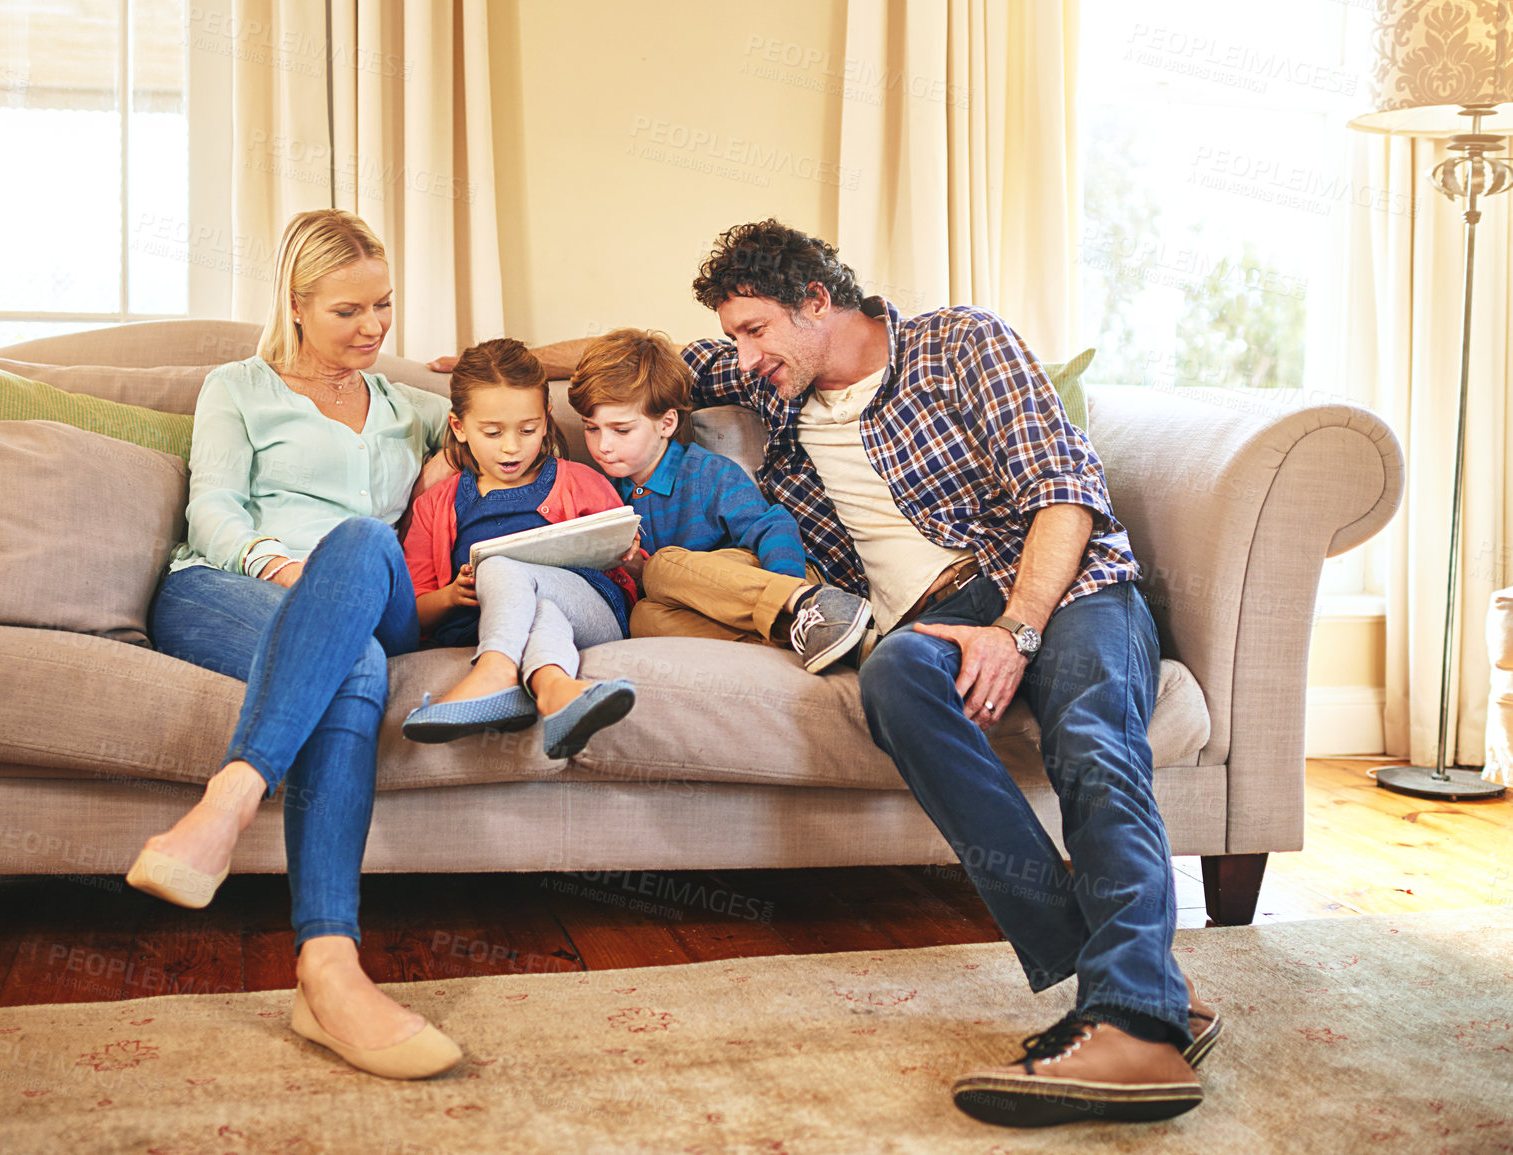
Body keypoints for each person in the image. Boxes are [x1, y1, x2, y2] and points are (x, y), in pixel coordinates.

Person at [523, 219, 1222, 1127]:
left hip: (1062, 588)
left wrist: (1013, 629)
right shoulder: (774, 374)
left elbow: (1063, 492)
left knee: (1091, 738)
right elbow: (643, 352)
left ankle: (1132, 1025)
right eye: (735, 335)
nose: (741, 354)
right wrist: (499, 356)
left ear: (817, 302)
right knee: (893, 675)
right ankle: (1135, 985)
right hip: (929, 621)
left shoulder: (959, 344)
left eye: (755, 329)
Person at [128, 208, 463, 1080]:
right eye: (349, 310)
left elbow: (512, 419)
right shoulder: (236, 387)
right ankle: (328, 969)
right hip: (224, 587)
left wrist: (498, 384)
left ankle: (229, 802)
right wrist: (284, 573)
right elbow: (212, 511)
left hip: (369, 590)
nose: (374, 327)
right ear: (298, 303)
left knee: (359, 542)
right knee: (349, 662)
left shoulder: (409, 408)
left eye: (383, 305)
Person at [568, 327, 870, 672]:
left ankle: (809, 608)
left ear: (666, 423)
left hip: (775, 578)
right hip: (719, 610)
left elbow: (773, 526)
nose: (603, 445)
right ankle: (812, 641)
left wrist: (788, 588)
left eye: (621, 430)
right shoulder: (602, 492)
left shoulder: (705, 474)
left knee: (663, 566)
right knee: (644, 616)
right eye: (591, 428)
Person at [401, 338, 638, 759]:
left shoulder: (579, 480)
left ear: (546, 421)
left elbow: (633, 575)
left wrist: (630, 556)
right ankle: (558, 693)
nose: (511, 446)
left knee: (499, 566)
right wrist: (449, 596)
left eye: (527, 430)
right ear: (459, 427)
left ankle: (494, 671)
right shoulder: (436, 505)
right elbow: (411, 610)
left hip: (588, 611)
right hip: (480, 623)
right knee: (535, 609)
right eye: (492, 433)